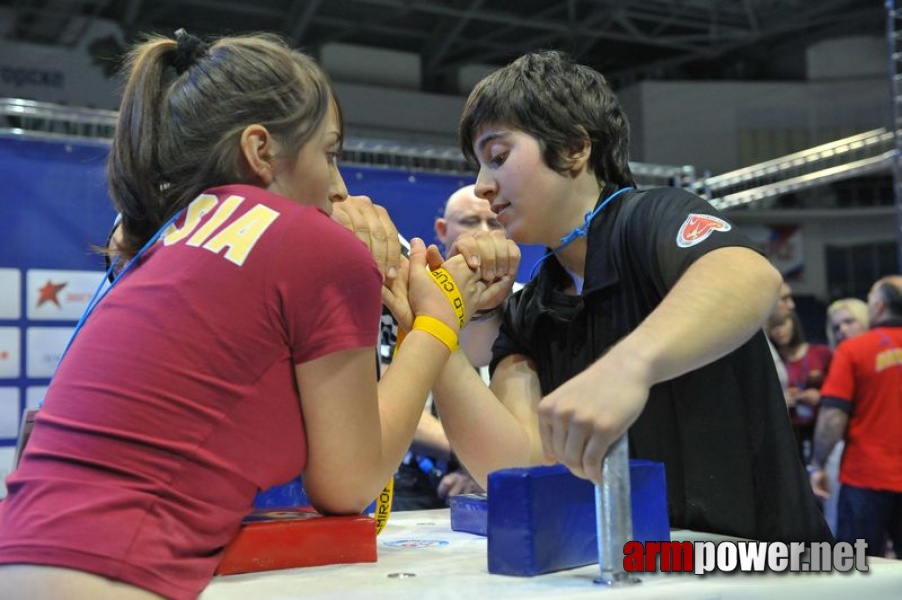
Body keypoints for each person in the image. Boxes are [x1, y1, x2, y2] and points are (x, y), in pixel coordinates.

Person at [0, 31, 516, 600]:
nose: (340, 189)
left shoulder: (162, 234)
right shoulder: (314, 244)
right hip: (113, 574)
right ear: (261, 150)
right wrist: (437, 322)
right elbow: (347, 483)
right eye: (330, 154)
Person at [413, 50, 832, 543]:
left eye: (499, 157)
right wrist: (435, 323)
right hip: (652, 573)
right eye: (479, 166)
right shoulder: (530, 307)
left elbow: (748, 275)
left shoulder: (653, 217)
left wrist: (627, 367)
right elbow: (517, 466)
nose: (482, 186)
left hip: (772, 567)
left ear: (573, 148)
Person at [392, 184, 505, 509]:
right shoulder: (409, 292)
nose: (483, 233)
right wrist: (472, 454)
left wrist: (481, 468)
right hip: (415, 481)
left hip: (493, 473)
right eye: (470, 222)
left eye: (494, 222)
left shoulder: (523, 299)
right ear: (442, 229)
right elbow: (388, 390)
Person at [810, 276, 902, 557]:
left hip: (866, 478)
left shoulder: (854, 350)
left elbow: (832, 417)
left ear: (877, 306)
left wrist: (817, 464)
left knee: (858, 567)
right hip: (870, 478)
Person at [820, 297, 870, 534]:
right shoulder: (839, 358)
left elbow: (832, 417)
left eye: (849, 322)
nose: (842, 330)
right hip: (846, 454)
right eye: (836, 326)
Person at [767, 311, 832, 462]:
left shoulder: (821, 353)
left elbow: (840, 389)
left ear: (793, 323)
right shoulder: (772, 361)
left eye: (781, 324)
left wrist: (821, 395)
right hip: (790, 431)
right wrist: (780, 400)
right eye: (773, 327)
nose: (778, 331)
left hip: (820, 426)